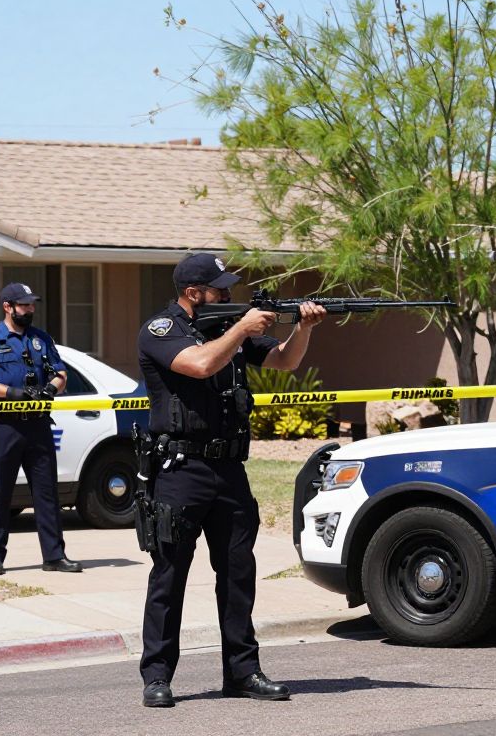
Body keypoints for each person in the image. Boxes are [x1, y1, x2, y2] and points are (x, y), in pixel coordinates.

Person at [138, 253, 326, 708]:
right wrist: (240, 328)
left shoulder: (226, 327)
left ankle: (243, 672)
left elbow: (284, 363)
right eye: (219, 288)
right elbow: (200, 365)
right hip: (180, 470)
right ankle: (158, 676)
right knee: (170, 575)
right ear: (192, 293)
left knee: (239, 573)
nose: (228, 295)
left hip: (229, 471)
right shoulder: (161, 330)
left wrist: (303, 326)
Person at [0, 282, 83, 576]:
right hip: (4, 427)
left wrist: (50, 389)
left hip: (38, 426)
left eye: (31, 305)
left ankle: (54, 556)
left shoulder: (41, 339)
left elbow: (61, 373)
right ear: (8, 306)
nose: (30, 310)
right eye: (24, 305)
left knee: (47, 495)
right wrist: (10, 393)